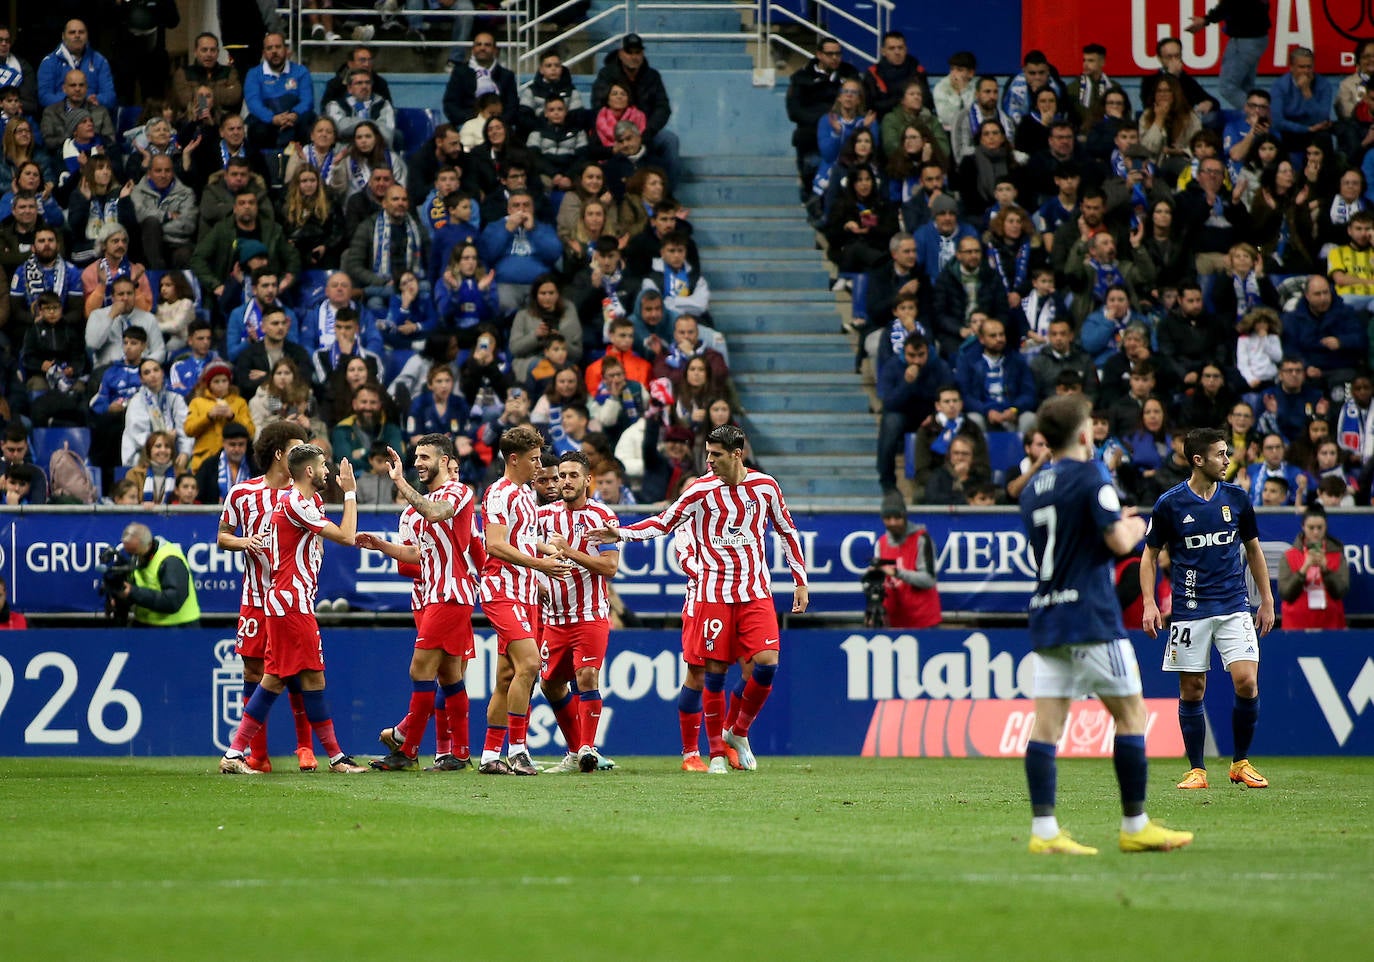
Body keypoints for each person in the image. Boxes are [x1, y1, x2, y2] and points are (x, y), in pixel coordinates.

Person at [1019, 393, 1193, 855]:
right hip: (1092, 618)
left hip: (1048, 614)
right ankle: (1135, 825)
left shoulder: (1033, 487)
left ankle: (1044, 832)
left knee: (1047, 727)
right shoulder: (1093, 473)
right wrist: (1135, 529)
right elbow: (1116, 541)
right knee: (1132, 716)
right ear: (1084, 434)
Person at [591, 424, 809, 774]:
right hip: (710, 595)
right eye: (707, 454)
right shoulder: (701, 492)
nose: (709, 461)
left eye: (716, 455)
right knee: (711, 673)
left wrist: (801, 581)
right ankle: (714, 754)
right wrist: (620, 532)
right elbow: (663, 523)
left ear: (737, 454)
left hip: (754, 591)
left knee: (767, 663)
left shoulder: (765, 486)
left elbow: (786, 528)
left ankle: (738, 732)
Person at [218, 443, 368, 775]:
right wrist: (350, 494)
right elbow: (346, 535)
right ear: (309, 471)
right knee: (289, 678)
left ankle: (238, 753)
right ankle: (333, 758)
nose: (328, 470)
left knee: (292, 678)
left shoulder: (297, 503)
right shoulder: (297, 503)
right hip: (290, 602)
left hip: (289, 600)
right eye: (323, 465)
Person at [1141, 426, 1275, 792]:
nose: (1228, 460)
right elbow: (1149, 555)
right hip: (1189, 609)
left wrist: (1266, 599)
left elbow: (1253, 549)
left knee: (1247, 682)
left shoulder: (1238, 498)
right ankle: (1197, 770)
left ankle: (1240, 763)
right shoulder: (1170, 503)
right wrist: (1150, 602)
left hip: (1234, 605)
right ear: (1198, 460)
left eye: (1227, 453)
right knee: (1192, 689)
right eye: (1220, 454)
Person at [363, 435, 483, 771]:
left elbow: (434, 513)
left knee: (420, 669)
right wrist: (380, 545)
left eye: (425, 456)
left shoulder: (459, 493)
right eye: (416, 456)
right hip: (436, 595)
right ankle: (458, 754)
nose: (418, 462)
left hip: (450, 594)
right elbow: (417, 554)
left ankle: (407, 749)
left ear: (445, 461)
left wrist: (399, 481)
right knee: (448, 675)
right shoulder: (420, 507)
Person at [217, 421, 316, 772]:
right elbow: (223, 536)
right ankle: (258, 756)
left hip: (291, 598)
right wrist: (245, 541)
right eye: (296, 448)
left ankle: (305, 748)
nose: (306, 456)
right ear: (279, 454)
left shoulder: (306, 495)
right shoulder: (242, 493)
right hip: (255, 598)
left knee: (297, 671)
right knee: (253, 670)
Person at [476, 425, 575, 775]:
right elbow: (496, 545)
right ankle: (518, 750)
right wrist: (541, 564)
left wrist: (551, 549)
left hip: (525, 591)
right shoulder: (500, 493)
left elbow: (523, 540)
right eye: (533, 459)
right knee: (530, 665)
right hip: (502, 590)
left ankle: (490, 755)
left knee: (507, 676)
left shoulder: (525, 495)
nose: (539, 466)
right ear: (514, 459)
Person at [535, 451, 621, 773]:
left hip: (590, 614)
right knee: (550, 685)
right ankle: (577, 752)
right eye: (562, 476)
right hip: (554, 617)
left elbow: (610, 567)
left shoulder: (603, 517)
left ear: (588, 480)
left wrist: (569, 551)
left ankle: (587, 747)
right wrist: (537, 578)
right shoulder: (543, 517)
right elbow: (524, 551)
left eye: (573, 476)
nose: (566, 482)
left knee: (586, 677)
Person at [111, 522, 201, 628]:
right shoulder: (138, 553)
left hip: (178, 627)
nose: (132, 556)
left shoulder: (170, 560)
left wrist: (132, 592)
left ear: (148, 545)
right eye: (129, 552)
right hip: (145, 624)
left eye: (135, 552)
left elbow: (172, 601)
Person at [872, 491, 940, 629]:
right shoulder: (881, 543)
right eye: (887, 518)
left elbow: (928, 579)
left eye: (897, 518)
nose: (892, 522)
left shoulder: (921, 539)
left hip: (923, 621)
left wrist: (897, 573)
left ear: (905, 516)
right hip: (895, 621)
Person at [1278, 505, 1349, 630]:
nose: (1315, 532)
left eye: (1319, 528)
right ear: (1303, 527)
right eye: (1311, 528)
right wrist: (1304, 569)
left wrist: (1326, 570)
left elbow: (1340, 592)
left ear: (1325, 527)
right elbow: (1285, 593)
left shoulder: (1337, 555)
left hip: (1331, 625)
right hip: (1296, 626)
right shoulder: (1289, 556)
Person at [243, 33, 315, 150]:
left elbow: (307, 100)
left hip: (295, 119)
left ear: (286, 50)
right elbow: (253, 103)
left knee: (309, 124)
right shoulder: (253, 74)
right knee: (257, 129)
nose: (274, 51)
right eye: (269, 48)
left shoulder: (301, 71)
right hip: (267, 121)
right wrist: (272, 119)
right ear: (264, 53)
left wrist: (294, 115)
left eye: (278, 47)